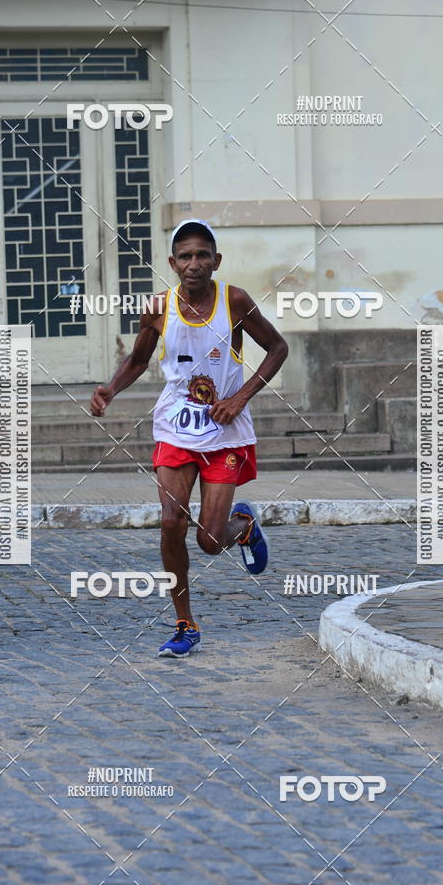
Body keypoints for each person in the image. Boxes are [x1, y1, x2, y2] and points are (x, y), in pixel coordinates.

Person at [90, 219, 288, 656]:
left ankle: (243, 525)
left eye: (202, 255)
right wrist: (111, 389)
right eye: (185, 256)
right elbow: (139, 359)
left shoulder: (234, 301)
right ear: (172, 263)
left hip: (224, 430)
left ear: (216, 261)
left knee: (210, 541)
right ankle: (185, 624)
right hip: (175, 427)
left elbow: (278, 348)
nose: (193, 263)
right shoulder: (158, 307)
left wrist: (239, 398)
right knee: (170, 522)